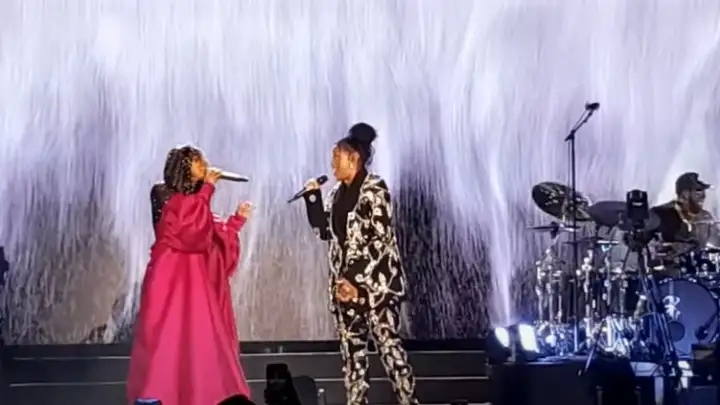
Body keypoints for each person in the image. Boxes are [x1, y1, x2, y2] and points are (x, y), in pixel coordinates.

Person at [301, 123, 418, 405]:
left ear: (353, 158)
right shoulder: (335, 194)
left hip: (376, 287)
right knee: (353, 357)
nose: (332, 164)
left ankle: (408, 400)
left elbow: (379, 239)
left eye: (336, 157)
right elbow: (325, 232)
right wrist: (313, 199)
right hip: (345, 290)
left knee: (390, 350)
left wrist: (353, 280)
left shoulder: (375, 189)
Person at [127, 145, 253, 405]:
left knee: (200, 341)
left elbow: (210, 234)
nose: (205, 165)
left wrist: (236, 221)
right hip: (169, 277)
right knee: (166, 340)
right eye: (198, 161)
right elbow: (187, 230)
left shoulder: (198, 201)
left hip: (195, 280)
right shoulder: (162, 192)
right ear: (184, 165)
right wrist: (207, 189)